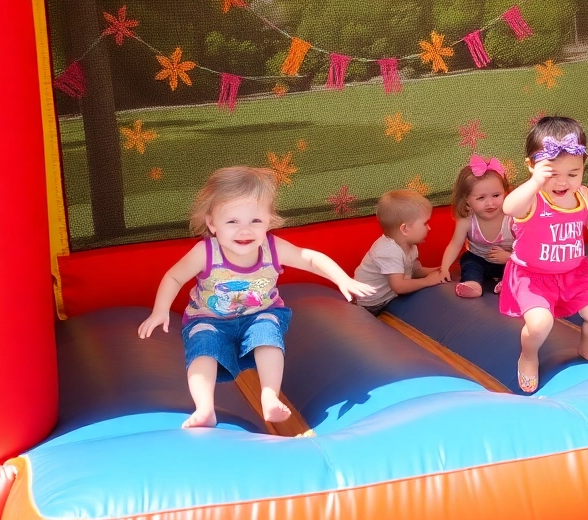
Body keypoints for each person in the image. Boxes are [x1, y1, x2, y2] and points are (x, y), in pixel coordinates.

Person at [138, 166, 374, 429]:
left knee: (267, 336)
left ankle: (269, 395)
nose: (245, 231)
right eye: (232, 222)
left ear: (269, 221)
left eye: (255, 221)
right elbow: (174, 277)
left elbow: (310, 258)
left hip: (259, 313)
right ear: (212, 223)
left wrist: (343, 279)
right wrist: (160, 310)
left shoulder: (272, 248)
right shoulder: (205, 252)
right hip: (209, 318)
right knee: (203, 347)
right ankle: (205, 408)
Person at [500, 116, 588, 393]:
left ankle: (586, 346)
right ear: (532, 166)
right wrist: (534, 182)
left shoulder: (585, 196)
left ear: (584, 166)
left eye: (573, 174)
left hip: (574, 273)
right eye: (553, 174)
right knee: (540, 324)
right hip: (533, 276)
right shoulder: (532, 198)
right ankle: (528, 356)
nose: (563, 182)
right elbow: (508, 207)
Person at [353, 188, 444, 315]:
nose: (429, 228)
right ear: (405, 229)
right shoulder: (388, 251)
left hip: (390, 295)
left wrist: (439, 269)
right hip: (372, 303)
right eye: (425, 223)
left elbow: (415, 271)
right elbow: (399, 286)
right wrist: (428, 281)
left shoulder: (409, 244)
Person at [439, 154, 513, 298]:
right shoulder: (467, 221)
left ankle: (509, 283)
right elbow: (455, 245)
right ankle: (473, 284)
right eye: (481, 198)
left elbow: (527, 246)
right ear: (467, 200)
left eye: (496, 195)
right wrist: (444, 268)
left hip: (508, 259)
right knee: (469, 262)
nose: (490, 203)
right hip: (480, 259)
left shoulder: (511, 217)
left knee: (518, 267)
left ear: (505, 192)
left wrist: (509, 257)